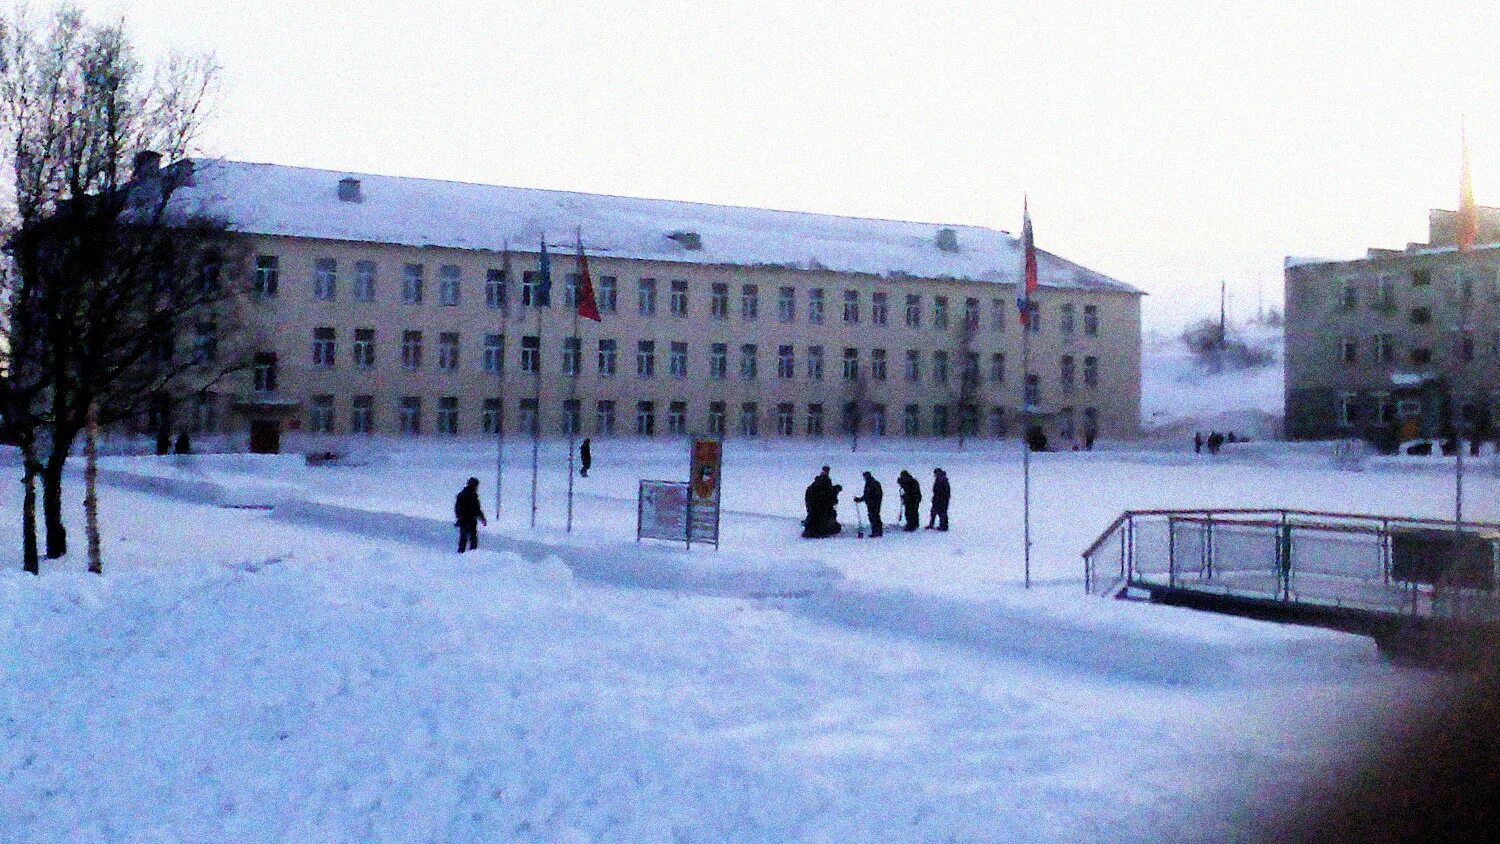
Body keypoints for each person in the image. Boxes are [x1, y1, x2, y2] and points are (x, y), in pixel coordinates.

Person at [453, 477, 487, 553]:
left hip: (466, 520)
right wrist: (482, 518)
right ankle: (471, 555)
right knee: (471, 539)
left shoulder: (464, 494)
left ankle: (462, 554)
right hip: (468, 520)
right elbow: (476, 509)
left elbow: (458, 509)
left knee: (464, 539)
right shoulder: (471, 495)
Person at [853, 471, 883, 537]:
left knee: (873, 517)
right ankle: (879, 531)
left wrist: (859, 499)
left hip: (872, 503)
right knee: (876, 516)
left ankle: (875, 532)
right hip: (876, 503)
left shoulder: (869, 483)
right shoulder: (875, 482)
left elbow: (867, 495)